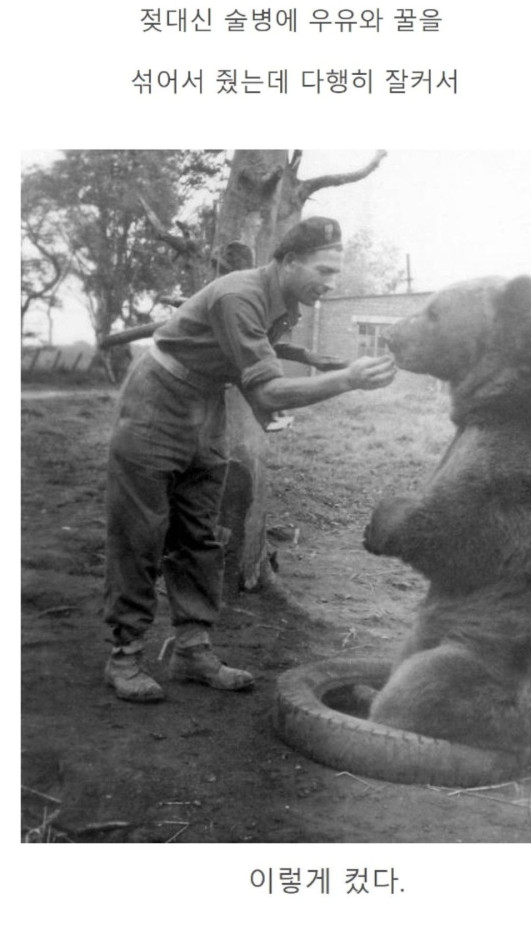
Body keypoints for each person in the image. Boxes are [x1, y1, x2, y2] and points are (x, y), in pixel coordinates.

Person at [103, 217, 397, 702]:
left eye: (335, 274)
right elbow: (266, 385)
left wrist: (325, 367)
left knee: (199, 532)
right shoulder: (240, 294)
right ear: (287, 261)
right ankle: (125, 657)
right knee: (141, 530)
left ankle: (193, 649)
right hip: (157, 401)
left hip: (206, 403)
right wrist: (348, 381)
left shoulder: (285, 300)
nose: (331, 283)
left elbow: (259, 356)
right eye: (323, 270)